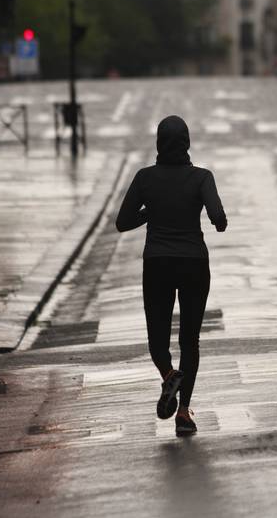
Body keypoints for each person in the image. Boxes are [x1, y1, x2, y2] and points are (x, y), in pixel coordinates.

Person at [115, 115, 227, 436]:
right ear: (188, 143)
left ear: (158, 144)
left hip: (158, 263)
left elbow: (122, 222)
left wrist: (151, 212)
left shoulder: (145, 178)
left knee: (157, 337)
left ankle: (168, 375)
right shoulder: (202, 177)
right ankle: (183, 412)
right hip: (193, 263)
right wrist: (219, 222)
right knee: (189, 339)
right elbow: (217, 217)